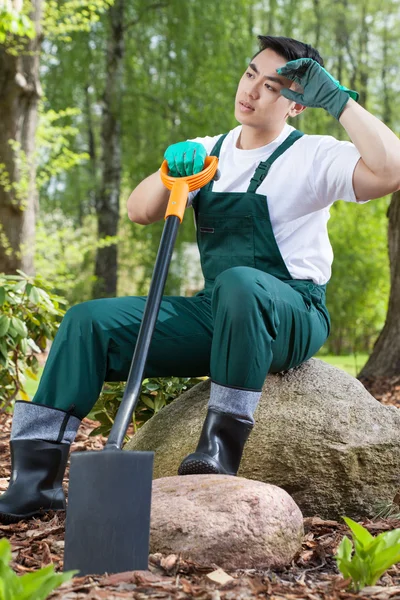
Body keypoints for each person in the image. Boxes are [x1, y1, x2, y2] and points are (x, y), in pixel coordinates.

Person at [1, 35, 399, 524]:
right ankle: (34, 482)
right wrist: (172, 171)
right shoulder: (208, 152)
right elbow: (139, 210)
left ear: (297, 104)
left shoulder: (315, 155)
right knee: (88, 322)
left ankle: (218, 449)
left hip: (291, 313)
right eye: (251, 73)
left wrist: (339, 101)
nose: (251, 90)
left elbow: (392, 170)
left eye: (272, 86)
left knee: (239, 282)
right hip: (219, 311)